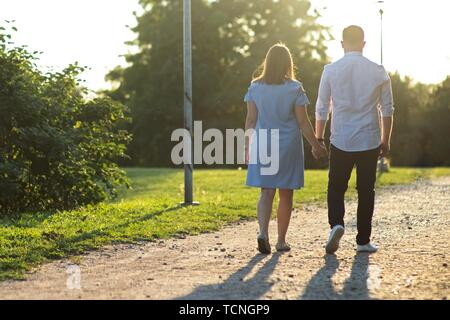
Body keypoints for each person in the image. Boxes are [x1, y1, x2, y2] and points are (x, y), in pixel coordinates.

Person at [315, 25, 394, 254]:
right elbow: (387, 109)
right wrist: (385, 140)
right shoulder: (378, 71)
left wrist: (319, 138)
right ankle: (362, 241)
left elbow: (322, 107)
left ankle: (337, 224)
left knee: (336, 187)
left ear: (342, 44)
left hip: (340, 138)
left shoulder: (330, 70)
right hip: (369, 139)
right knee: (366, 190)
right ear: (363, 43)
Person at [244, 43, 327, 254]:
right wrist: (316, 145)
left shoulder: (255, 87)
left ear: (267, 62)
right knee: (286, 193)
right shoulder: (294, 88)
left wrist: (247, 147)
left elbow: (251, 120)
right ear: (288, 63)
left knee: (267, 190)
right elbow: (303, 122)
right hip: (288, 144)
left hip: (263, 142)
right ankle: (281, 240)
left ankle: (263, 232)